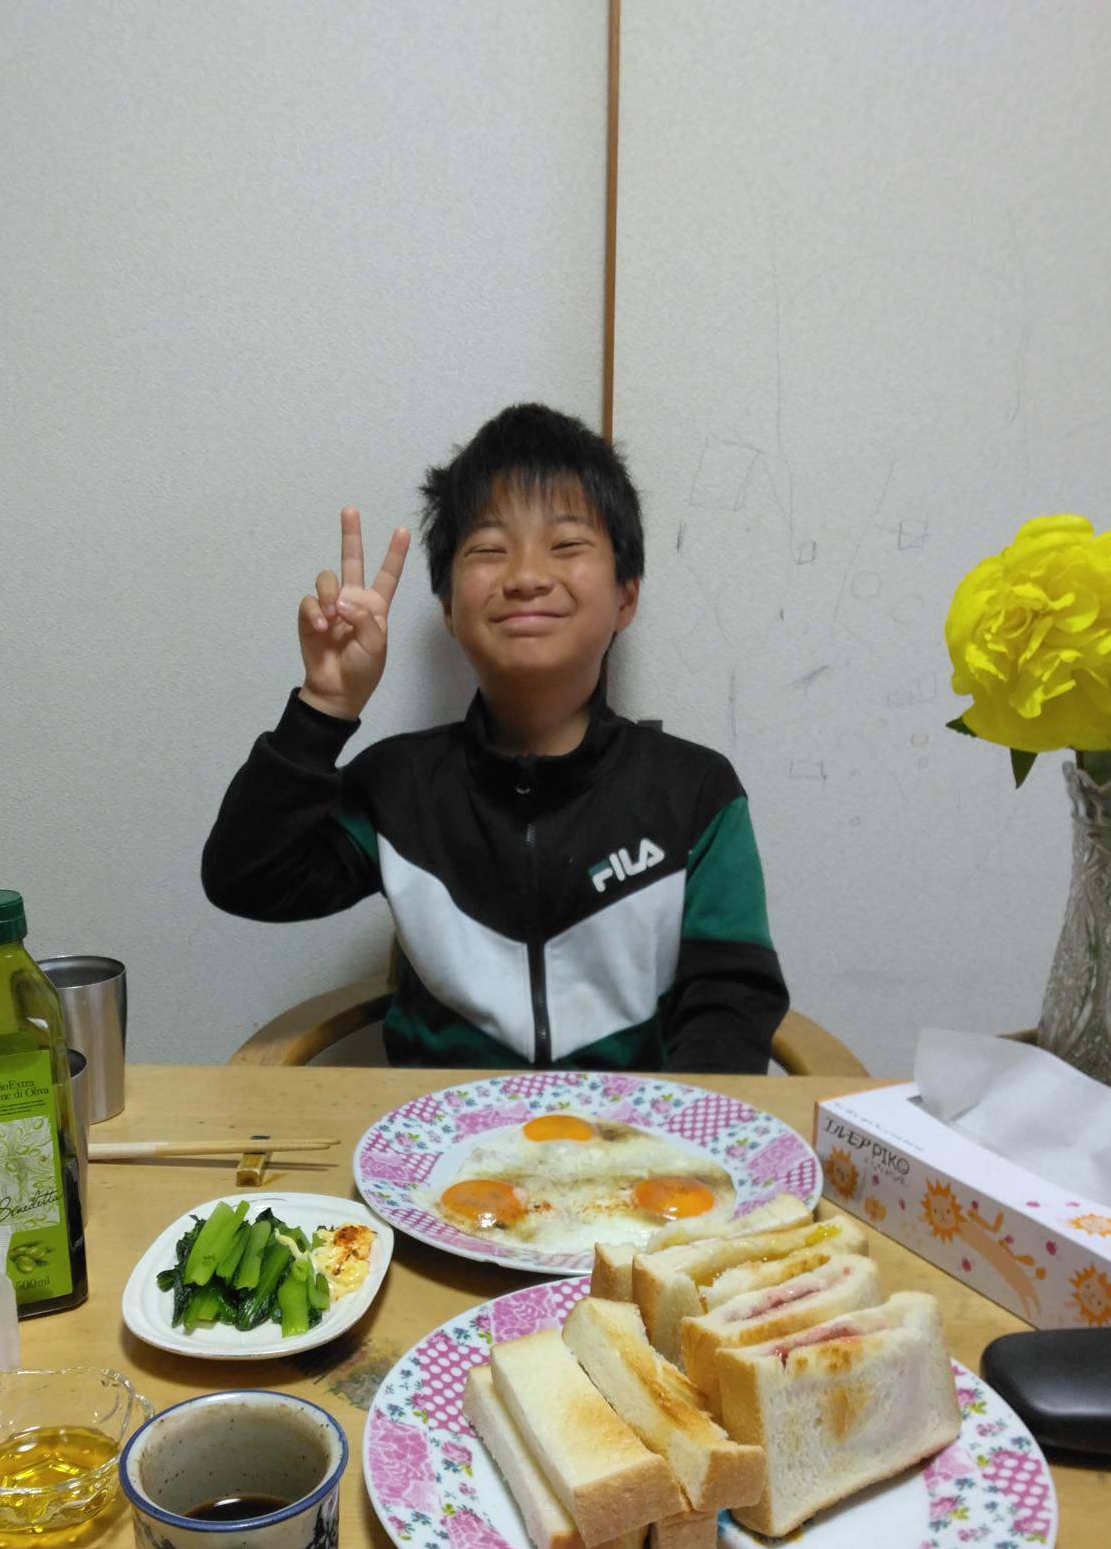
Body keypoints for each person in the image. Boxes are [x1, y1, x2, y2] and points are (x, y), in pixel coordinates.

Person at [201, 402, 788, 1070]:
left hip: (628, 1132)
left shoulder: (696, 793)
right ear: (449, 608)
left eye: (566, 544)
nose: (527, 576)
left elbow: (732, 1001)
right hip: (434, 1132)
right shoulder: (399, 787)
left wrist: (670, 1128)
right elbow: (245, 879)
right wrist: (325, 708)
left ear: (626, 596)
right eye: (488, 549)